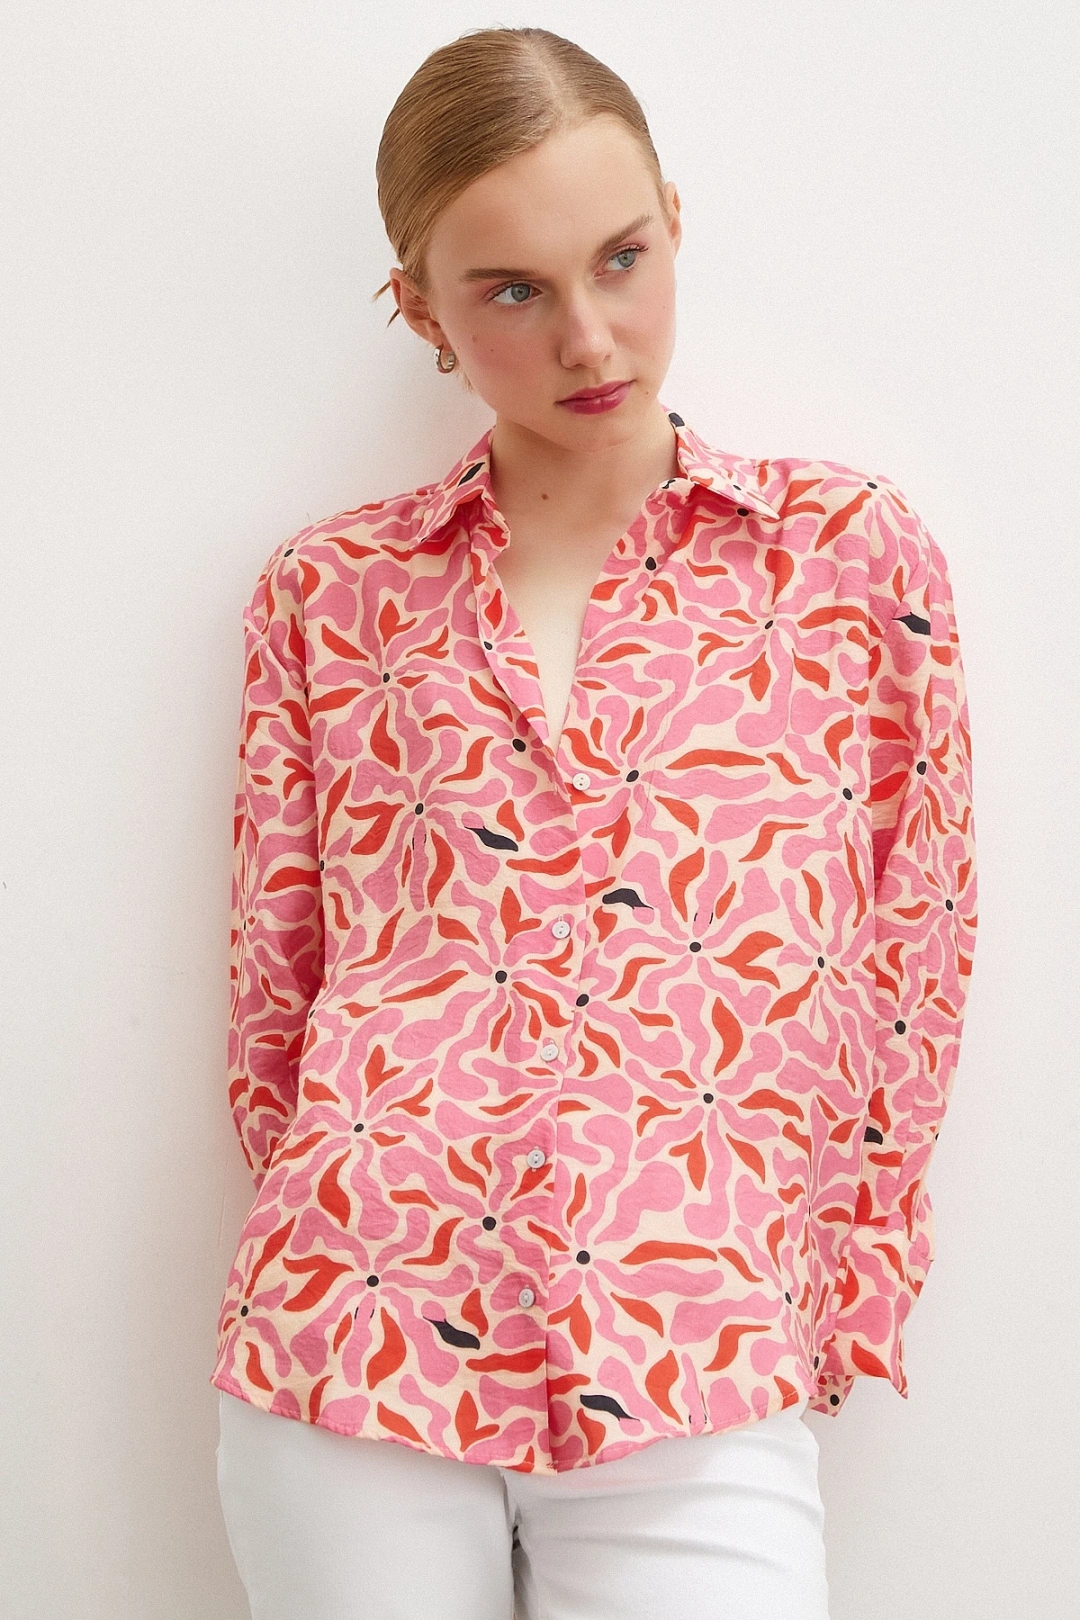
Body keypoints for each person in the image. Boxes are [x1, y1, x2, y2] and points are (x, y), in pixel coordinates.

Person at [210, 25, 978, 1620]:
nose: (589, 335)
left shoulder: (849, 560)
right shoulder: (327, 594)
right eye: (512, 291)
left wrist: (846, 1279)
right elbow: (278, 991)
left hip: (701, 1343)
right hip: (360, 1332)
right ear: (420, 310)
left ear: (674, 222)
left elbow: (915, 947)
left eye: (622, 258)